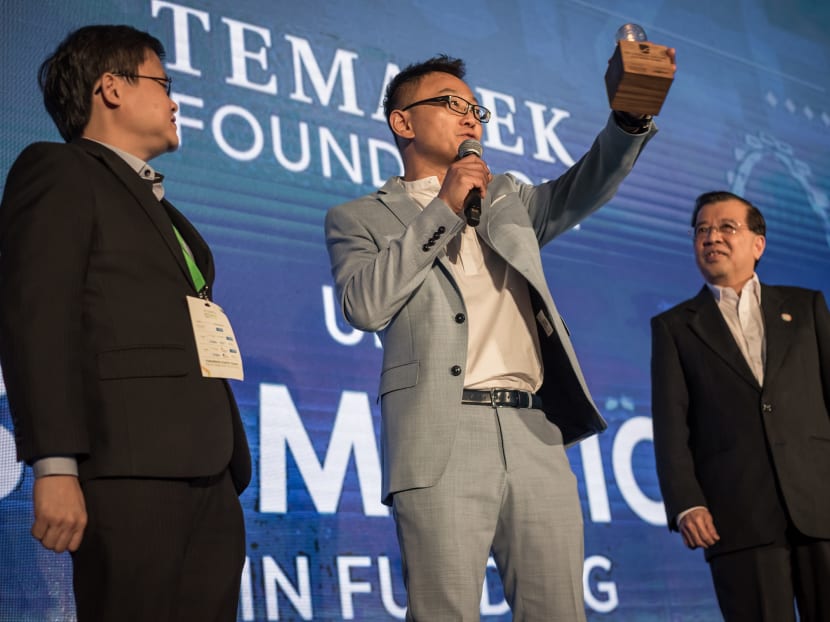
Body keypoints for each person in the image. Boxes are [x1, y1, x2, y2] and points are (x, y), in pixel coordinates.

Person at [325, 52, 673, 620]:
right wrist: (443, 206)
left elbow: (585, 185)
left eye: (475, 108)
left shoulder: (510, 198)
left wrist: (629, 121)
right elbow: (364, 305)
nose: (471, 118)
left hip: (534, 429)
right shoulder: (359, 216)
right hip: (440, 434)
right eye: (450, 104)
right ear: (402, 122)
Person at [0, 25, 251, 621]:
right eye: (163, 83)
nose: (174, 100)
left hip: (210, 471)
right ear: (110, 88)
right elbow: (38, 321)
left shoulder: (164, 210)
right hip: (127, 466)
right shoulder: (58, 170)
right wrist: (55, 464)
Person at [651, 190, 830, 621]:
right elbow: (671, 425)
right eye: (702, 230)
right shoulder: (675, 327)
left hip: (821, 504)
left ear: (758, 244)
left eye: (726, 227)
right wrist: (686, 503)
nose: (712, 237)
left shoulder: (805, 307)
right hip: (739, 516)